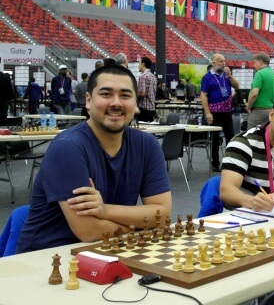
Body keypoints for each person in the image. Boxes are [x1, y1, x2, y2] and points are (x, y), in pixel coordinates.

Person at [16, 65, 172, 253]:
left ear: (135, 102)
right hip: (50, 258)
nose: (116, 103)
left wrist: (105, 211)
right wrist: (141, 224)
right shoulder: (68, 147)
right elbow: (89, 231)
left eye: (125, 95)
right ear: (88, 101)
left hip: (109, 250)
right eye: (106, 94)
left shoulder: (147, 145)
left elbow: (162, 216)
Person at [201, 53, 240, 172]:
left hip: (226, 111)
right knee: (215, 138)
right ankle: (215, 163)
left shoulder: (226, 75)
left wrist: (230, 76)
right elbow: (203, 95)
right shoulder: (207, 77)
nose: (224, 63)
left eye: (224, 61)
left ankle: (229, 162)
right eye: (221, 61)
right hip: (214, 112)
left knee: (230, 136)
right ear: (214, 63)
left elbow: (237, 86)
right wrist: (207, 112)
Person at [246, 52, 274, 130]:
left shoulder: (259, 73)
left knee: (251, 137)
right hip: (271, 111)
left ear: (260, 62)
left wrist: (248, 106)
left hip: (258, 112)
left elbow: (254, 94)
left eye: (255, 62)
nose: (254, 65)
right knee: (266, 137)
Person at [137, 57, 157, 122]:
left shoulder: (142, 76)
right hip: (152, 108)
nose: (138, 66)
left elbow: (142, 93)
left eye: (139, 63)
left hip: (144, 109)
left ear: (143, 64)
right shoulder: (153, 76)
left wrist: (133, 94)